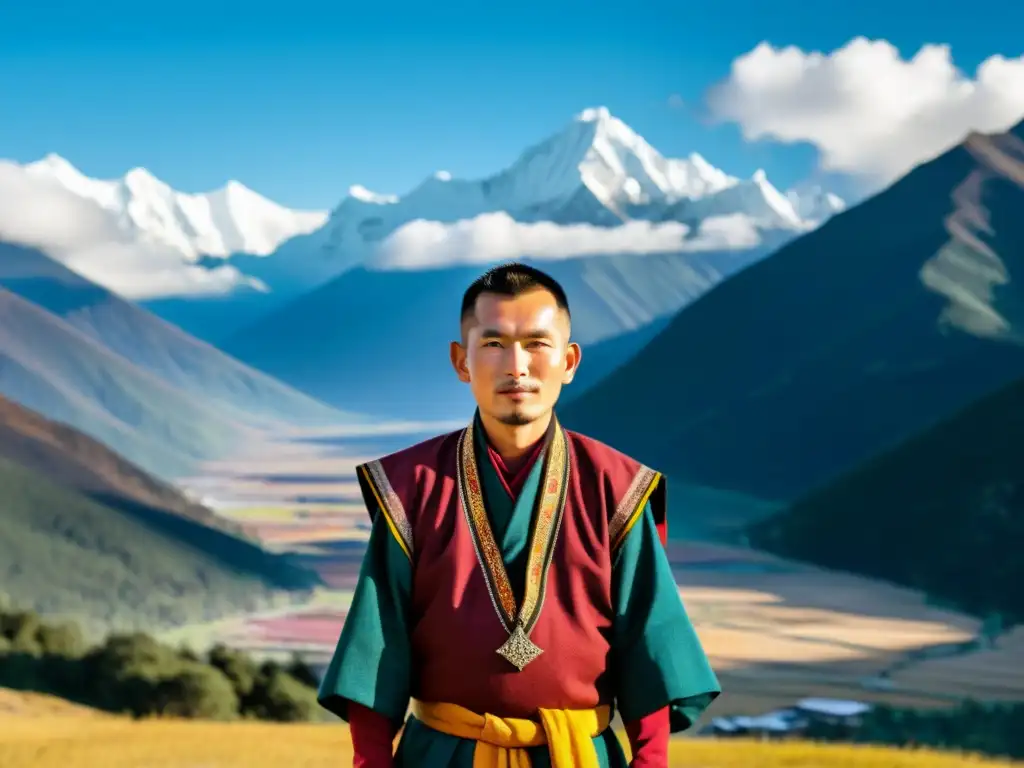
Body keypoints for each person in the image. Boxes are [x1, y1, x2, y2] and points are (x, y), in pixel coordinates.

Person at [318, 263, 720, 767]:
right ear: (461, 361)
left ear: (569, 360)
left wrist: (650, 761)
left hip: (579, 754)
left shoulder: (616, 487)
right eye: (493, 344)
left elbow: (650, 641)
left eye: (536, 343)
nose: (516, 366)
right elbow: (378, 642)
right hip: (443, 754)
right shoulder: (411, 487)